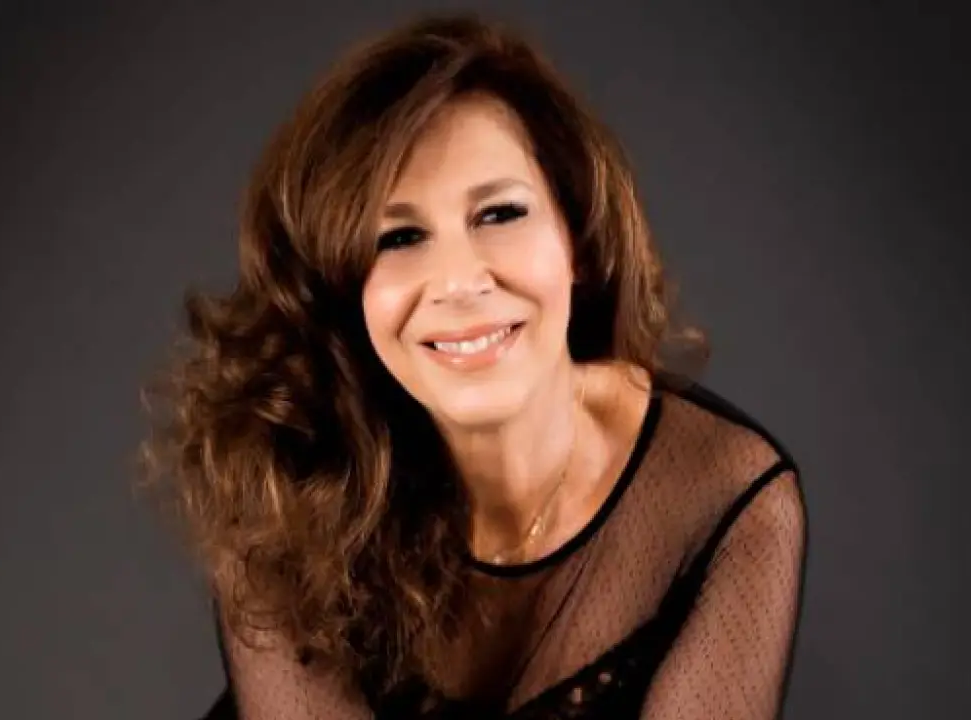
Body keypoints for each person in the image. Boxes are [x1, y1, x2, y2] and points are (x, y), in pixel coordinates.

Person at [140, 12, 807, 720]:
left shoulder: (722, 498)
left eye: (499, 214)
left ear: (579, 240)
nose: (458, 281)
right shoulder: (286, 467)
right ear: (341, 288)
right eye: (399, 236)